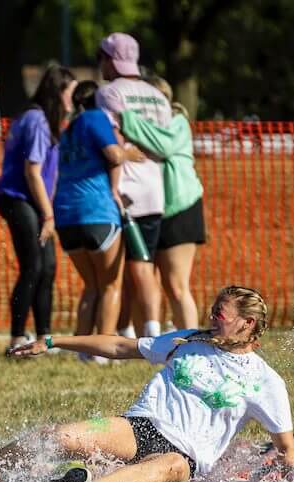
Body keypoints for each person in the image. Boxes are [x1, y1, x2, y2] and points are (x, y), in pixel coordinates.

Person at [0, 286, 294, 482]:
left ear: (248, 323)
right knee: (56, 436)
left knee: (170, 465)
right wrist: (53, 342)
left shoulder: (265, 381)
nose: (210, 319)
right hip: (138, 428)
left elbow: (287, 450)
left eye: (219, 315)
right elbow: (120, 346)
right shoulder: (189, 340)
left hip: (185, 457)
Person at [96, 32, 171, 340]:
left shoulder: (109, 93)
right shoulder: (158, 95)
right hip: (154, 190)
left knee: (122, 270)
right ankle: (146, 330)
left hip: (123, 190)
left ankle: (132, 333)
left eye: (101, 58)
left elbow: (111, 142)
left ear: (111, 61)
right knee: (145, 265)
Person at [0, 65, 75, 351]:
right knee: (33, 266)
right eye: (71, 93)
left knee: (48, 267)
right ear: (58, 93)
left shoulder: (46, 121)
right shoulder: (37, 120)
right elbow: (33, 171)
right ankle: (17, 336)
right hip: (18, 197)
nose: (73, 100)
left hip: (34, 200)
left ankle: (44, 338)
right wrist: (48, 214)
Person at [120, 76, 204, 330]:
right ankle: (142, 346)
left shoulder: (177, 123)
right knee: (141, 282)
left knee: (176, 285)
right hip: (147, 209)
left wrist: (127, 119)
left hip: (180, 208)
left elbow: (163, 145)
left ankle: (192, 346)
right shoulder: (139, 131)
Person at [50, 81, 127, 351]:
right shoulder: (96, 118)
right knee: (110, 285)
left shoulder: (68, 128)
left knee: (91, 286)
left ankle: (81, 350)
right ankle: (103, 351)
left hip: (66, 216)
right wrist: (129, 152)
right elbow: (114, 156)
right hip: (97, 211)